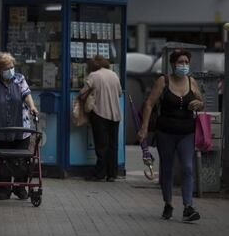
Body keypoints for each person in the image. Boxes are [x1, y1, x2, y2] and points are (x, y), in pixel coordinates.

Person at [138, 49, 203, 222]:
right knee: (167, 168)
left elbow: (201, 102)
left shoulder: (192, 82)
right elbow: (149, 104)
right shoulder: (163, 81)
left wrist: (199, 104)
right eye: (180, 62)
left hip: (186, 132)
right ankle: (168, 203)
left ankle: (188, 207)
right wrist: (144, 127)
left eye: (186, 62)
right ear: (173, 64)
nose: (184, 65)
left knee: (188, 168)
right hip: (165, 131)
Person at [0, 52, 39, 200]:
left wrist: (32, 106)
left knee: (21, 159)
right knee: (2, 160)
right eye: (7, 68)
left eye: (12, 66)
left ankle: (20, 188)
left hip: (20, 128)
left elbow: (26, 94)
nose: (11, 70)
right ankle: (4, 190)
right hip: (0, 130)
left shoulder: (19, 79)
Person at [80, 55, 122, 182]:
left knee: (101, 145)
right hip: (115, 114)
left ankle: (99, 173)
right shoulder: (114, 75)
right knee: (113, 145)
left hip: (100, 114)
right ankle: (112, 174)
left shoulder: (93, 76)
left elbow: (83, 93)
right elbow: (119, 93)